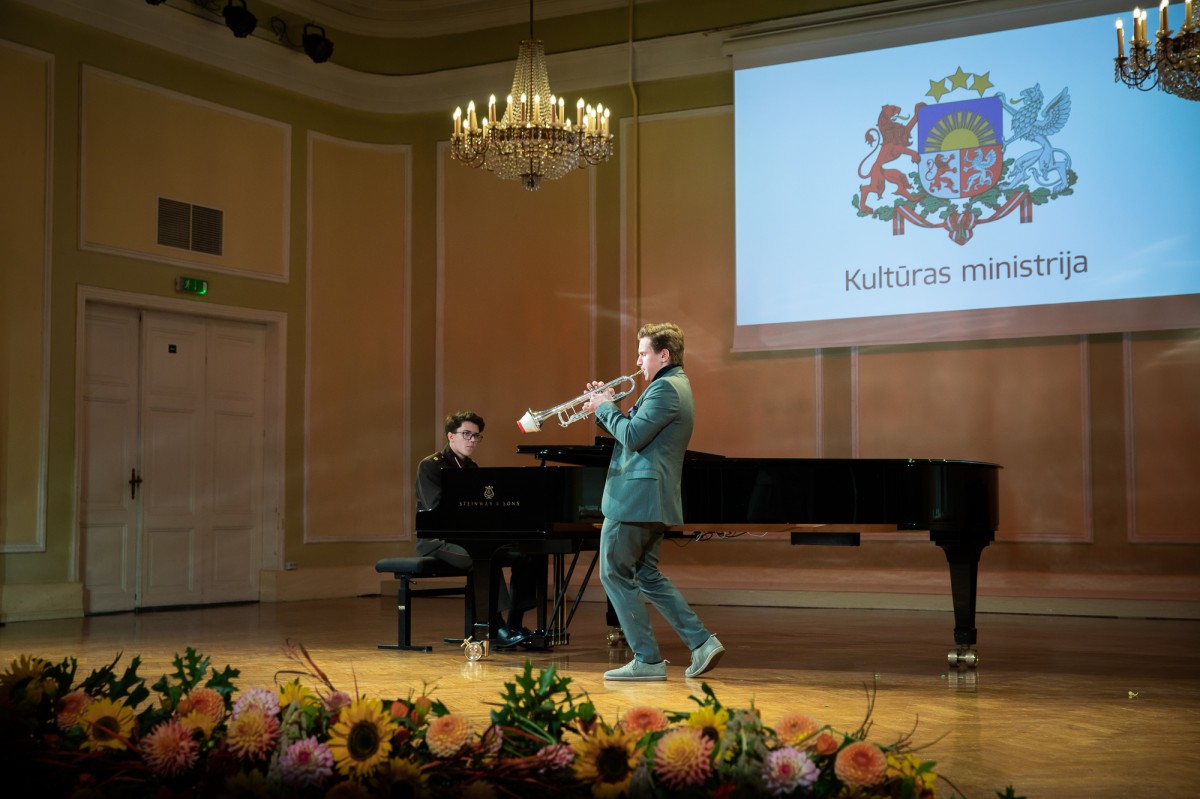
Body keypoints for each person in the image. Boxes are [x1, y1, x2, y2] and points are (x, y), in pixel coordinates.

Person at [582, 322, 724, 681]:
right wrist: (604, 406)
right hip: (650, 499)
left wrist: (605, 407)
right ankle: (702, 642)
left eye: (643, 353)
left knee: (613, 572)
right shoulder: (674, 386)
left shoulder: (665, 390)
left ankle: (647, 659)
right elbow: (633, 431)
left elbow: (632, 436)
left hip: (636, 499)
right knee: (646, 575)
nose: (637, 361)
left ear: (663, 355)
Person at [415, 411, 538, 649]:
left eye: (476, 436)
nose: (472, 440)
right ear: (451, 436)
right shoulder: (430, 466)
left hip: (468, 538)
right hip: (437, 540)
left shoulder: (471, 467)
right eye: (466, 434)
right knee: (485, 557)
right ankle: (495, 626)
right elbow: (435, 510)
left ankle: (515, 622)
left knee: (525, 557)